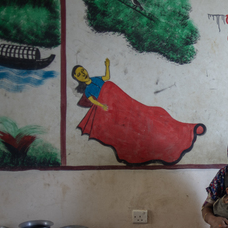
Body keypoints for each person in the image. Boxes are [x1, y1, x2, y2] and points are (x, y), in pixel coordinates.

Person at [71, 59, 205, 165]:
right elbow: (93, 101)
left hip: (121, 102)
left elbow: (106, 77)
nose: (82, 73)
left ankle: (183, 131)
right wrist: (102, 105)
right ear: (77, 78)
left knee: (145, 115)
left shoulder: (96, 79)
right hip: (111, 108)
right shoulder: (88, 90)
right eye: (79, 74)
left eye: (82, 71)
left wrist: (107, 65)